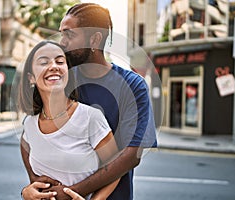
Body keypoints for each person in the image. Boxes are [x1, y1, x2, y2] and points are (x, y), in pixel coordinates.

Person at [21, 3, 157, 200]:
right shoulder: (62, 79)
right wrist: (34, 183)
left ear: (94, 39)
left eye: (69, 34)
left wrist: (74, 192)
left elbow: (130, 156)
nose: (62, 41)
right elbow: (30, 132)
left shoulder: (133, 86)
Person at [18, 40, 119, 200]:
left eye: (60, 61)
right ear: (31, 78)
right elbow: (25, 148)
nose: (54, 66)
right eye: (44, 62)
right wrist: (27, 191)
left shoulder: (90, 117)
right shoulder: (30, 123)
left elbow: (116, 168)